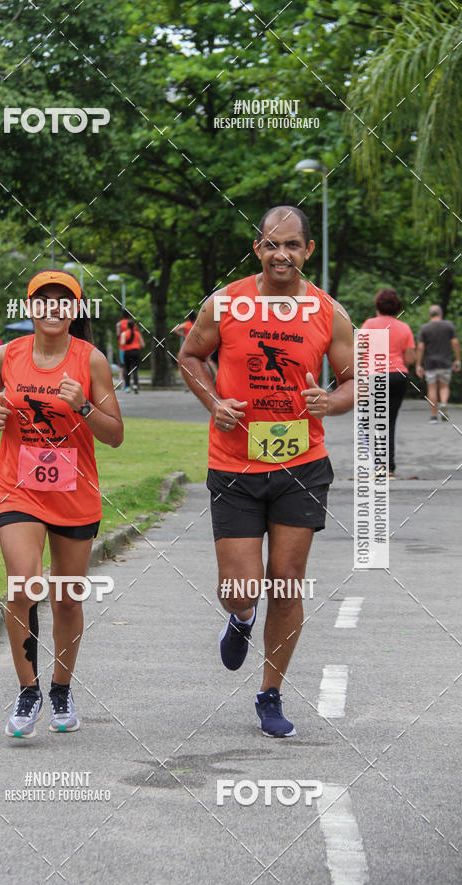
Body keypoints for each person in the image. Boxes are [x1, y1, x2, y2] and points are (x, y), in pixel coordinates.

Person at [178, 205, 354, 738]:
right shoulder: (226, 302)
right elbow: (190, 356)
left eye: (293, 246)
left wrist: (332, 400)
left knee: (287, 581)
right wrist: (214, 402)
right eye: (272, 245)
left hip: (302, 464)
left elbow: (355, 381)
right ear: (257, 248)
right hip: (234, 463)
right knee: (239, 586)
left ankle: (270, 693)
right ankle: (240, 617)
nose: (282, 255)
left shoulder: (328, 311)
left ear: (307, 251)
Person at [0, 269, 123, 739]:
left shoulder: (91, 361)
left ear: (75, 310)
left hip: (74, 493)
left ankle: (61, 687)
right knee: (21, 585)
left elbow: (115, 435)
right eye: (44, 300)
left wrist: (83, 406)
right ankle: (27, 690)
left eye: (63, 300)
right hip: (18, 487)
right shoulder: (6, 355)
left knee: (67, 599)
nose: (53, 308)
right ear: (30, 308)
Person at [361, 289, 415, 475]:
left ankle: (378, 465)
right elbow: (410, 358)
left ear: (377, 305)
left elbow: (359, 352)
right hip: (398, 376)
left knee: (369, 421)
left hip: (373, 375)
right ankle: (388, 467)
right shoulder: (404, 327)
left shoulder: (369, 324)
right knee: (389, 421)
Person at [416, 305, 461, 423]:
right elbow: (455, 343)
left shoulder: (424, 328)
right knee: (444, 386)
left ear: (429, 315)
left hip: (430, 363)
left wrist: (418, 364)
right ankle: (444, 403)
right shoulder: (449, 326)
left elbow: (420, 347)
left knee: (432, 388)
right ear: (441, 314)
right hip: (445, 362)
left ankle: (434, 416)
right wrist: (457, 359)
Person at [120, 319, 145, 393]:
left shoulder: (124, 333)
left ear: (127, 326)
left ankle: (127, 387)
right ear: (134, 326)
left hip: (127, 352)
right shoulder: (138, 334)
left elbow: (122, 343)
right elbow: (143, 345)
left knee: (127, 369)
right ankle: (135, 385)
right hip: (136, 352)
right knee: (135, 369)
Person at [116, 309, 130, 386]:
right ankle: (130, 383)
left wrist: (118, 341)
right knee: (130, 366)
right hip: (132, 348)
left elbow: (118, 334)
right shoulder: (132, 324)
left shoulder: (119, 324)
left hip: (122, 347)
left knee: (123, 365)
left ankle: (122, 382)